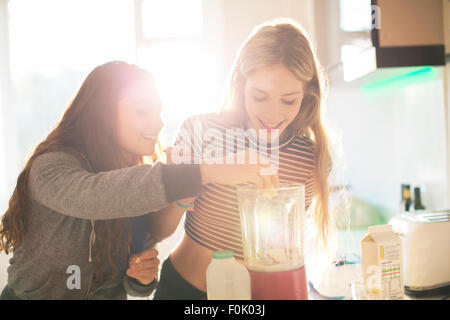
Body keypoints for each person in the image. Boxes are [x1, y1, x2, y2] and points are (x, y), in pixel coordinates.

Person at [0, 61, 277, 300]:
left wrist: (140, 277)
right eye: (142, 111)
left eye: (158, 112)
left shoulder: (134, 174)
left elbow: (136, 265)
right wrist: (207, 170)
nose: (158, 123)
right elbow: (97, 197)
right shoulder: (50, 167)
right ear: (102, 114)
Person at [152, 19, 334, 300]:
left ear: (307, 96)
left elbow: (282, 256)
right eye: (260, 96)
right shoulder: (200, 131)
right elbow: (157, 230)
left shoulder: (306, 157)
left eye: (289, 100)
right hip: (182, 292)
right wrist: (207, 173)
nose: (273, 114)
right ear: (241, 82)